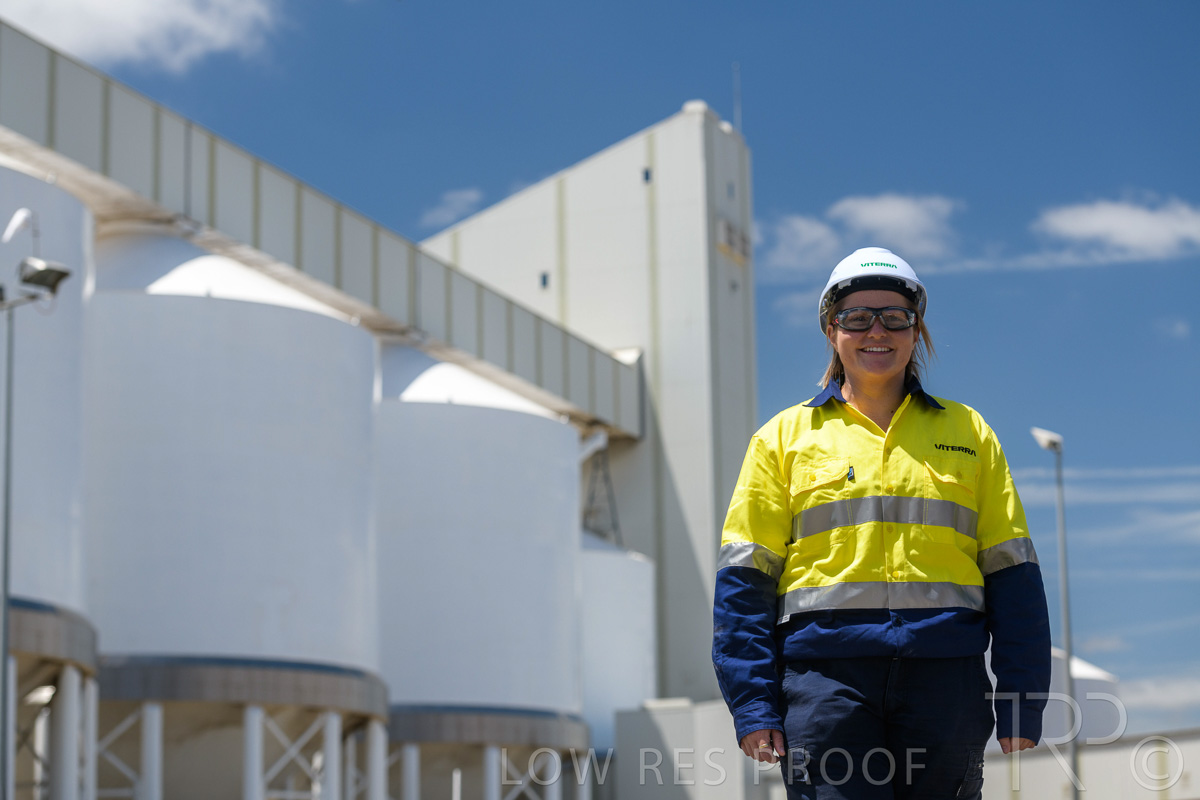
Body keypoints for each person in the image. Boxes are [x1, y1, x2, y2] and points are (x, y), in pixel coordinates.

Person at [712, 247, 1051, 799]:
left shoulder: (970, 433)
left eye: (895, 317)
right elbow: (745, 582)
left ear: (916, 332)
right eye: (856, 317)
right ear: (832, 330)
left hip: (946, 680)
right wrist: (753, 705)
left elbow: (1013, 573)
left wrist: (1022, 699)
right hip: (825, 683)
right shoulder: (781, 439)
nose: (877, 331)